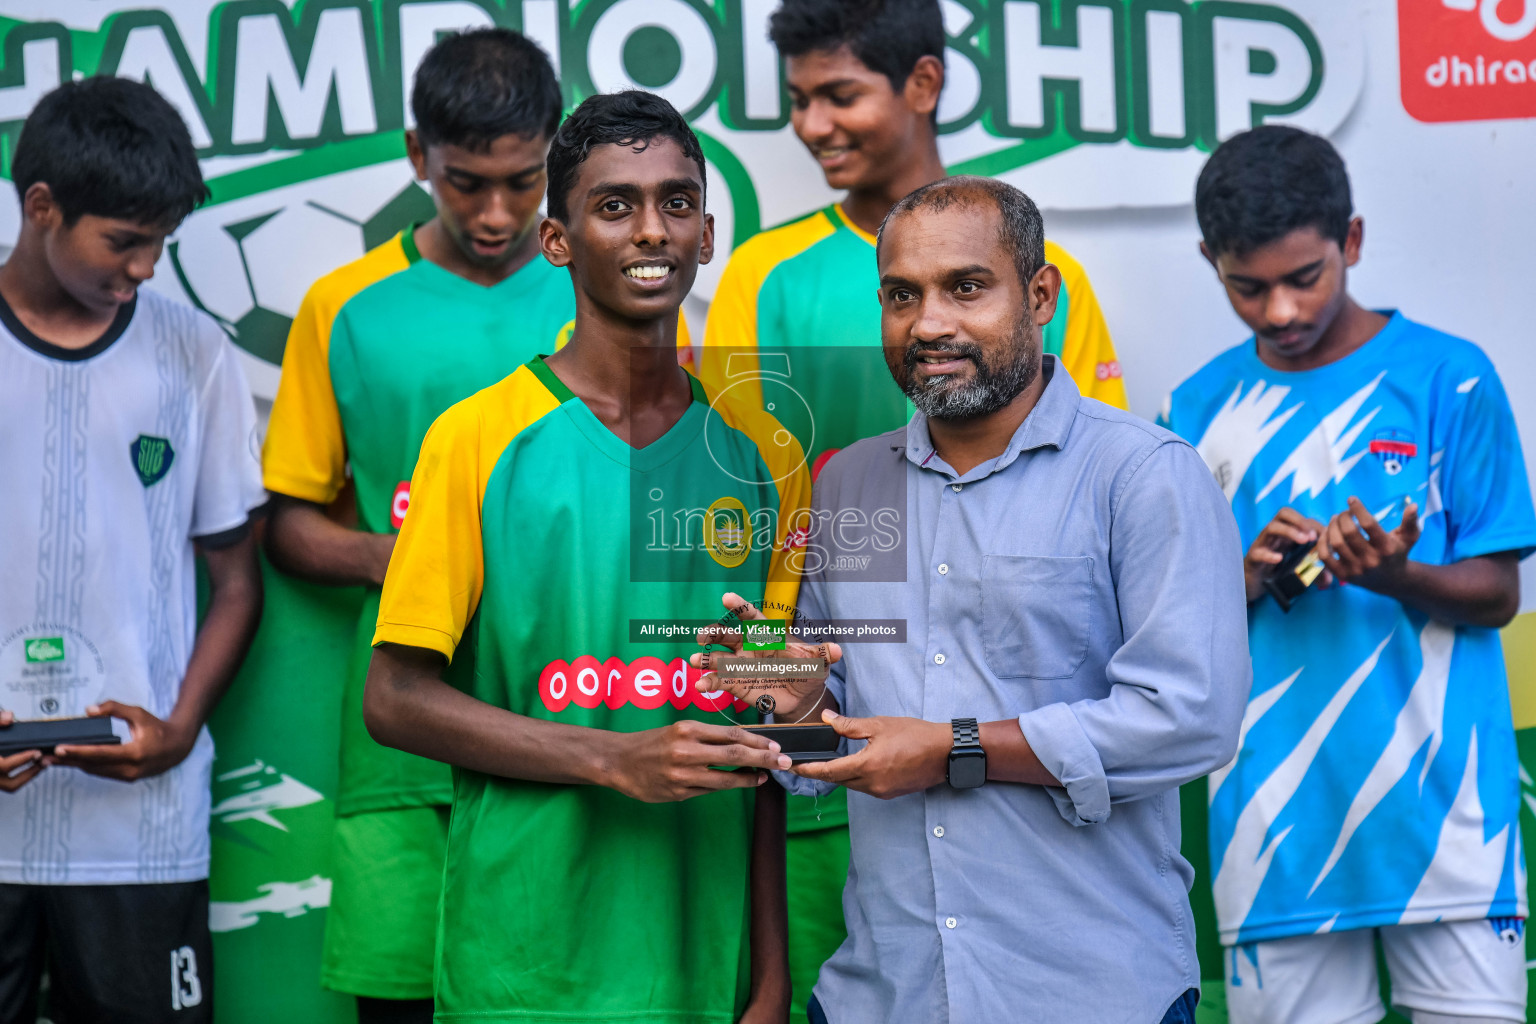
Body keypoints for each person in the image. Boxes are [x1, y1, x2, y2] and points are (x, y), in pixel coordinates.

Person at [697, 175, 1249, 1023]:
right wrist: (780, 702)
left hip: (1088, 995)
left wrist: (956, 747)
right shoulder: (848, 485)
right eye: (900, 296)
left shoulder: (1141, 474)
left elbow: (1190, 717)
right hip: (884, 995)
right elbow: (834, 722)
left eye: (965, 287)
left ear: (1039, 295)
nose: (929, 324)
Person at [690, 4, 1128, 1010]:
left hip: (1017, 760)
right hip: (827, 755)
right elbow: (748, 514)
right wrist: (787, 707)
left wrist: (974, 742)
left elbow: (1084, 505)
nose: (814, 124)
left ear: (923, 83)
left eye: (839, 94)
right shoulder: (764, 271)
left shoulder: (1052, 279)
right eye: (799, 101)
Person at [361, 90, 808, 1022]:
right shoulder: (477, 438)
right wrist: (613, 759)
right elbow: (394, 700)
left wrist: (768, 982)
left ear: (709, 231)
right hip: (523, 971)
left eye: (676, 203)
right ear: (558, 241)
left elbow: (768, 735)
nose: (652, 231)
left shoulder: (765, 454)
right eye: (616, 207)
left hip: (703, 962)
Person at [1160, 126, 1535, 1024]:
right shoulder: (1194, 407)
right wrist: (1243, 576)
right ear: (1211, 261)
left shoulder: (1452, 378)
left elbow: (1499, 595)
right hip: (1272, 826)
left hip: (1451, 819)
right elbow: (1168, 615)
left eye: (1306, 278)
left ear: (1352, 241)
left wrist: (1393, 574)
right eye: (1247, 287)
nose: (1281, 311)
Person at [258, 28, 570, 1023]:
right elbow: (290, 526)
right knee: (398, 1007)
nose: (494, 212)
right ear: (414, 157)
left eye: (523, 183)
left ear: (556, 156)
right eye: (463, 181)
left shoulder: (602, 291)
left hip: (566, 721)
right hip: (399, 738)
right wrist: (419, 559)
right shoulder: (341, 306)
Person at [0, 77, 265, 1022]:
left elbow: (236, 580)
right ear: (42, 207)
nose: (147, 268)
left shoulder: (193, 351)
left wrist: (180, 730)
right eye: (123, 241)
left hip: (140, 831)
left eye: (161, 243)